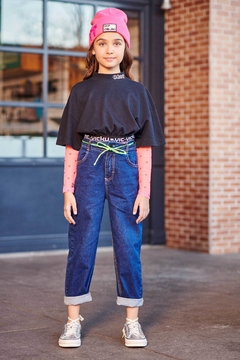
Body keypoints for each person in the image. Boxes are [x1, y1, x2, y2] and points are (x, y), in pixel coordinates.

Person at [56, 7, 165, 349]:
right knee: (81, 245)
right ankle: (72, 321)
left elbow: (145, 148)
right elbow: (72, 147)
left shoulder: (137, 92)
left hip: (126, 168)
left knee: (128, 245)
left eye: (116, 42)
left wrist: (144, 192)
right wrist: (67, 190)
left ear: (125, 47)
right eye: (101, 42)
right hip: (88, 165)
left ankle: (131, 323)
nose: (109, 49)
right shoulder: (81, 91)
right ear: (92, 48)